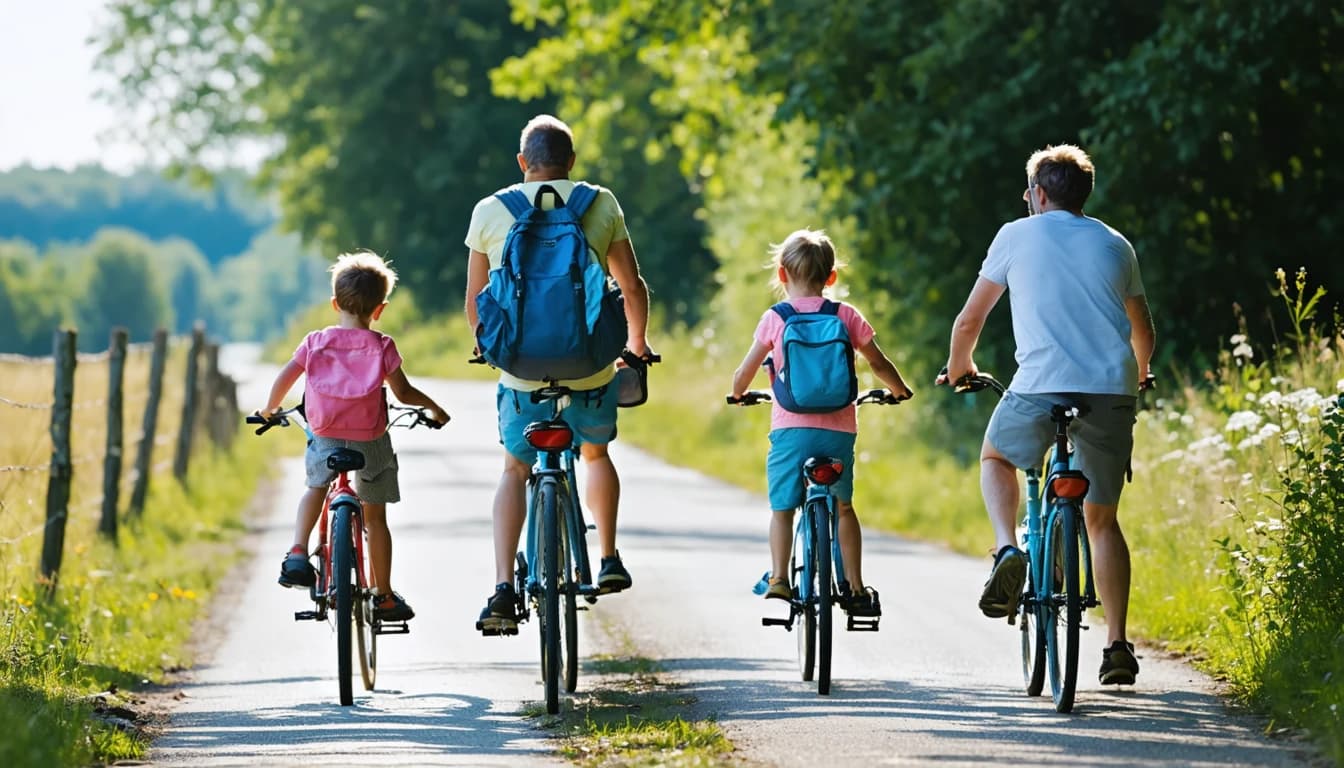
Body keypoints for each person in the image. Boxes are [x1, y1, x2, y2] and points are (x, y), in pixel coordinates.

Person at [936, 144, 1156, 685]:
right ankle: (1117, 646)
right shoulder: (1115, 243)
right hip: (1110, 391)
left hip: (1039, 387)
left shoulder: (1015, 234)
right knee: (1101, 520)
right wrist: (1142, 371)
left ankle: (1008, 549)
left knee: (996, 455)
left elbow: (969, 322)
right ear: (1085, 193)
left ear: (1037, 194)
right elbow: (1142, 329)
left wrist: (960, 369)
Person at [464, 114, 653, 635]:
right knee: (595, 453)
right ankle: (609, 556)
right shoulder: (600, 203)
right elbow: (631, 287)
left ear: (523, 163)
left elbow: (476, 301)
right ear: (571, 162)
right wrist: (635, 346)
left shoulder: (491, 210)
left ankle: (504, 586)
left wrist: (490, 350)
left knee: (514, 471)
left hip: (522, 372)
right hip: (592, 367)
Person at [258, 250, 450, 622]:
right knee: (375, 518)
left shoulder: (314, 341)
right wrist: (435, 409)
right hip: (370, 440)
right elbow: (403, 393)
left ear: (335, 304)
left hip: (325, 434)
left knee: (316, 488)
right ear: (379, 309)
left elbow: (286, 377)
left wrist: (269, 409)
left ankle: (298, 551)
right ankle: (384, 595)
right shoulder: (382, 346)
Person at [730, 228, 913, 616]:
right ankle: (857, 588)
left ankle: (780, 578)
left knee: (782, 508)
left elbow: (745, 370)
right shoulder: (845, 315)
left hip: (789, 429)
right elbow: (878, 362)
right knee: (844, 507)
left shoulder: (775, 319)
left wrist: (738, 392)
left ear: (781, 275)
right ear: (831, 277)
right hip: (838, 431)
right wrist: (899, 389)